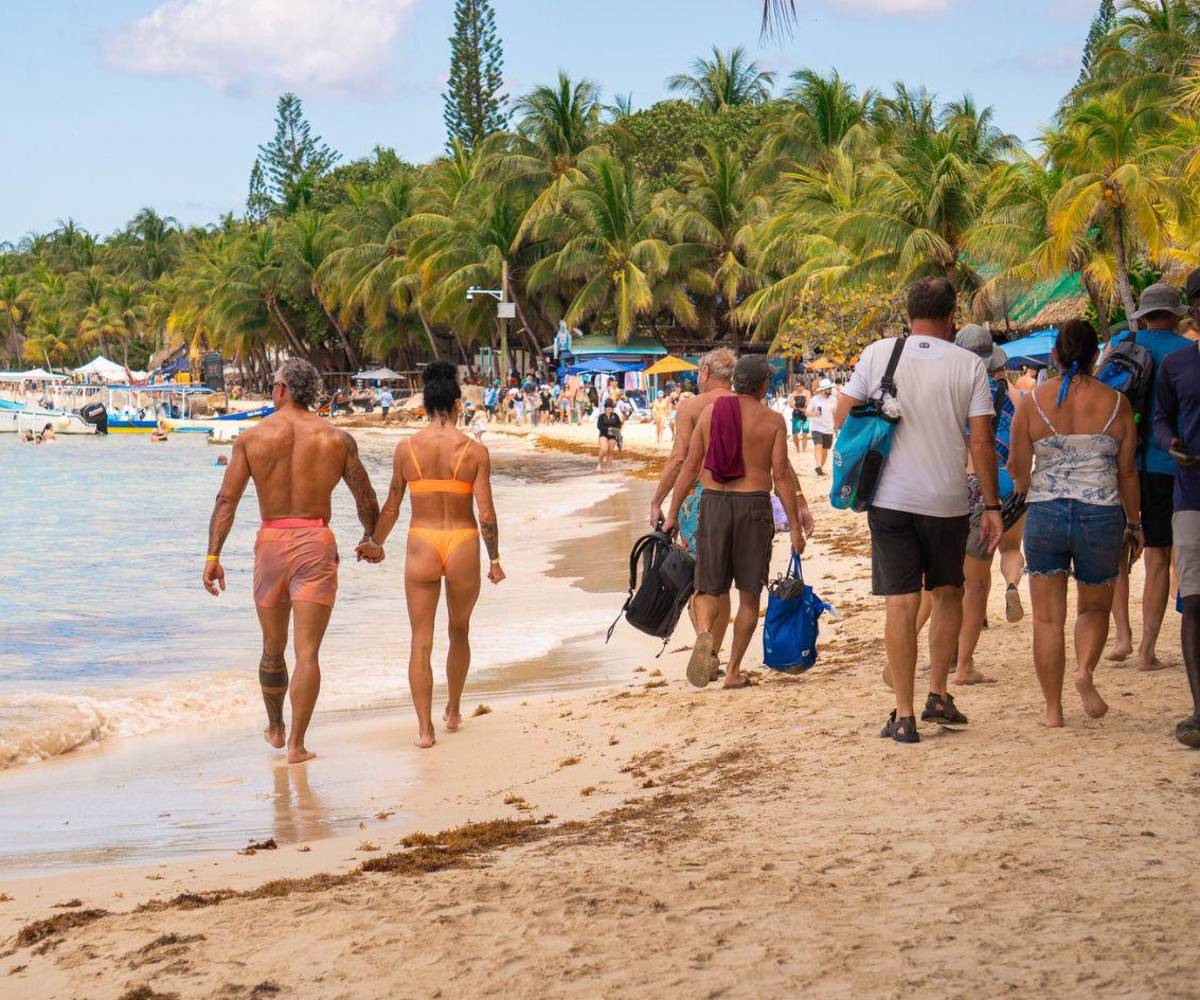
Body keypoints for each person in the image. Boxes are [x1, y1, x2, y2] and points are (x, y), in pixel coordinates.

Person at [836, 277, 1002, 744]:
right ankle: (938, 694)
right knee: (948, 593)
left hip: (890, 498)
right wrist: (991, 505)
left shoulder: (878, 353)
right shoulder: (969, 365)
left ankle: (904, 715)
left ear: (908, 313)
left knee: (901, 603)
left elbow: (842, 416)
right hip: (947, 499)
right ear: (953, 317)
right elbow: (982, 441)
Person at [202, 359, 381, 764]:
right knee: (308, 653)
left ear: (282, 389)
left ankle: (276, 726)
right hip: (316, 541)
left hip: (270, 543)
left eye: (272, 385)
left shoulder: (252, 438)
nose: (271, 390)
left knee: (272, 647)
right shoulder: (336, 439)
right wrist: (370, 538)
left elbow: (226, 500)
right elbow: (366, 499)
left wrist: (213, 556)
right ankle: (298, 745)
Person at [1009, 320, 1142, 728]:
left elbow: (1016, 468)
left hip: (1046, 513)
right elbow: (1127, 473)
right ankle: (1084, 671)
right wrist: (1134, 524)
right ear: (1094, 357)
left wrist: (1032, 483)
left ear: (1056, 356)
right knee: (1094, 607)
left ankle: (1053, 711)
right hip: (1099, 514)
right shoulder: (1116, 404)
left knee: (1047, 619)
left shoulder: (1032, 403)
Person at [370, 361, 504, 749]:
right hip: (462, 541)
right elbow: (487, 514)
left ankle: (425, 731)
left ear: (425, 406)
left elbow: (392, 507)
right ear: (458, 405)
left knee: (421, 640)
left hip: (422, 542)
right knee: (459, 631)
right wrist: (494, 559)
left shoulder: (406, 449)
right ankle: (454, 711)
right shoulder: (475, 451)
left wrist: (375, 543)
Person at [665, 355, 807, 689]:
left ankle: (704, 636)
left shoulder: (711, 413)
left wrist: (672, 513)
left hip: (713, 504)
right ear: (762, 386)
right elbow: (781, 476)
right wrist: (796, 527)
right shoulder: (772, 421)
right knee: (748, 595)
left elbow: (688, 467)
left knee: (706, 587)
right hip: (753, 508)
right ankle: (732, 672)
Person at [1105, 283, 1192, 670]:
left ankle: (1124, 637)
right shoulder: (1184, 352)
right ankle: (1147, 650)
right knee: (1162, 558)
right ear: (1175, 315)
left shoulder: (1120, 346)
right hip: (1171, 465)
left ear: (1142, 315)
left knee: (1127, 556)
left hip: (1125, 464)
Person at [649, 350, 738, 678]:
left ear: (704, 372)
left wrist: (660, 501)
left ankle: (704, 639)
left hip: (698, 499)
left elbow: (679, 458)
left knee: (698, 579)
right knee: (724, 584)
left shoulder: (691, 406)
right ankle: (713, 654)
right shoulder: (745, 402)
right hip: (737, 497)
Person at [1153, 266, 1200, 745]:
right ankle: (1199, 711)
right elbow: (1161, 419)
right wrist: (1171, 443)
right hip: (1191, 492)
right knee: (1195, 602)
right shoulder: (1177, 365)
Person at [806, 379, 836, 476]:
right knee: (818, 446)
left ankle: (820, 468)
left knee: (825, 450)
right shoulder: (815, 399)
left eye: (830, 388)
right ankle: (818, 466)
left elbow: (835, 413)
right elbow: (807, 412)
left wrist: (836, 426)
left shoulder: (834, 399)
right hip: (816, 427)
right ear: (823, 390)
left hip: (828, 428)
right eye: (828, 388)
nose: (830, 389)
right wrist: (814, 413)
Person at [596, 399, 622, 472]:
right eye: (607, 409)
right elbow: (599, 426)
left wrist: (614, 430)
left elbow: (619, 425)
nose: (609, 410)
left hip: (612, 435)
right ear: (605, 409)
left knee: (610, 451)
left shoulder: (615, 416)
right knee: (604, 449)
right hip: (603, 434)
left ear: (612, 409)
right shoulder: (602, 416)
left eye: (610, 409)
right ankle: (599, 464)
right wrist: (608, 429)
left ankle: (609, 467)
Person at [790, 385, 809, 454]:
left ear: (802, 386)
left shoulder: (807, 392)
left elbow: (808, 402)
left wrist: (801, 406)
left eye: (798, 386)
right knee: (795, 433)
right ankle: (798, 449)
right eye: (796, 386)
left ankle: (804, 450)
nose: (797, 387)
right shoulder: (794, 393)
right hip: (796, 413)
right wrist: (797, 407)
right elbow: (790, 404)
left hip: (805, 413)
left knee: (805, 432)